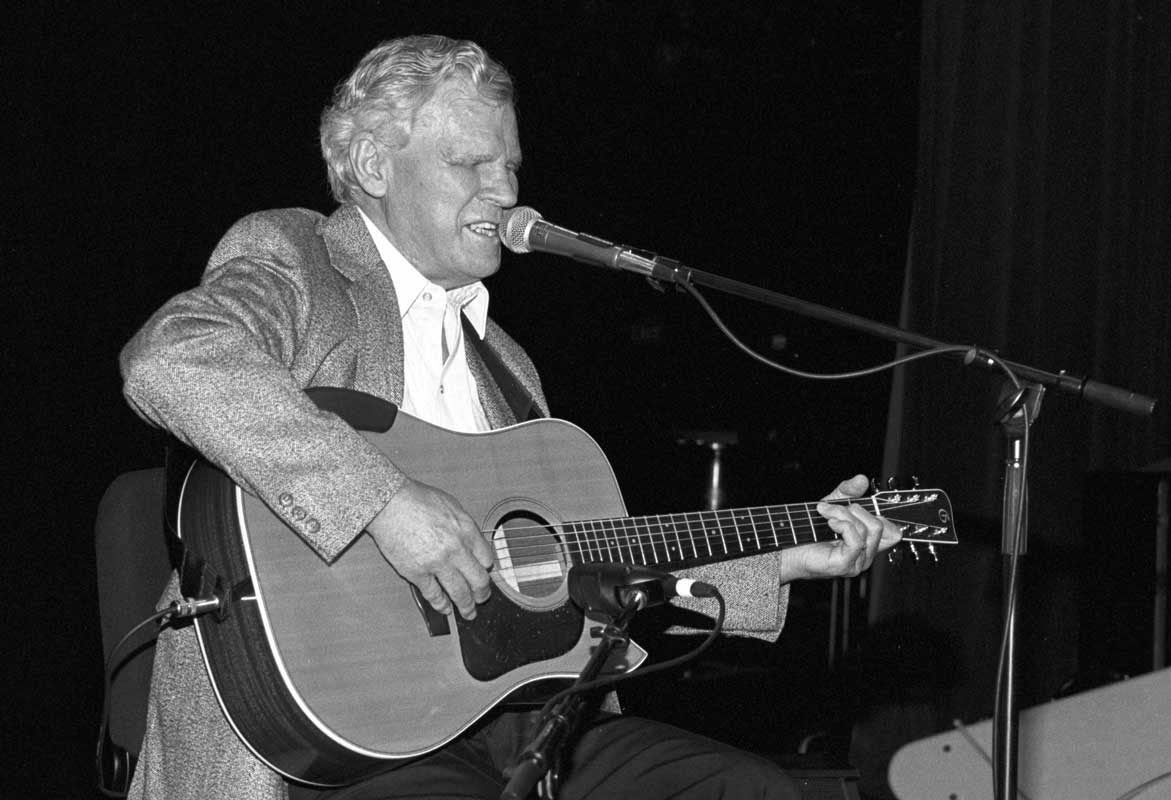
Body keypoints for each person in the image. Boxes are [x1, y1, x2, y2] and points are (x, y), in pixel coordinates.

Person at [120, 34, 900, 800]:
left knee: (752, 787)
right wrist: (386, 503)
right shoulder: (302, 261)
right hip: (347, 735)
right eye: (471, 163)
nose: (505, 190)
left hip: (522, 720)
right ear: (372, 166)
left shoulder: (509, 366)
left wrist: (785, 557)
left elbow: (577, 568)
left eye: (511, 165)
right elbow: (172, 358)